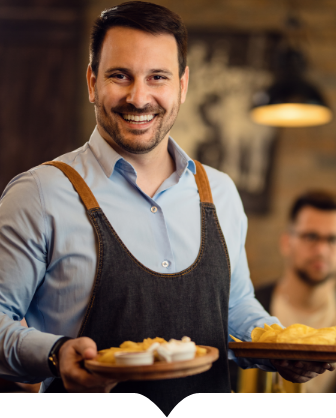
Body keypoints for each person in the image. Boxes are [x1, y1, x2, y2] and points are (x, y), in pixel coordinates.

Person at [0, 1, 332, 412]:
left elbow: (235, 308)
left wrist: (280, 347)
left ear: (183, 84)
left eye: (157, 77)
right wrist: (56, 354)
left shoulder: (221, 193)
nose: (139, 98)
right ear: (91, 81)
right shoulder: (40, 193)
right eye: (119, 75)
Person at [230, 190, 336, 394]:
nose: (322, 250)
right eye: (311, 236)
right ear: (286, 242)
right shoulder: (244, 311)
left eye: (332, 239)